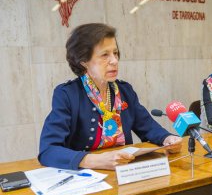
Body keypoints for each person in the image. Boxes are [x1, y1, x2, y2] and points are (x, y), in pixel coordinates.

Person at [39, 23, 182, 170]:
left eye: (115, 53)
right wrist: (93, 160)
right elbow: (48, 151)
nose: (114, 61)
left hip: (125, 173)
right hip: (88, 179)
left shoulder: (125, 91)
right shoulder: (67, 95)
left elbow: (148, 127)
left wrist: (168, 139)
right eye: (105, 55)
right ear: (84, 62)